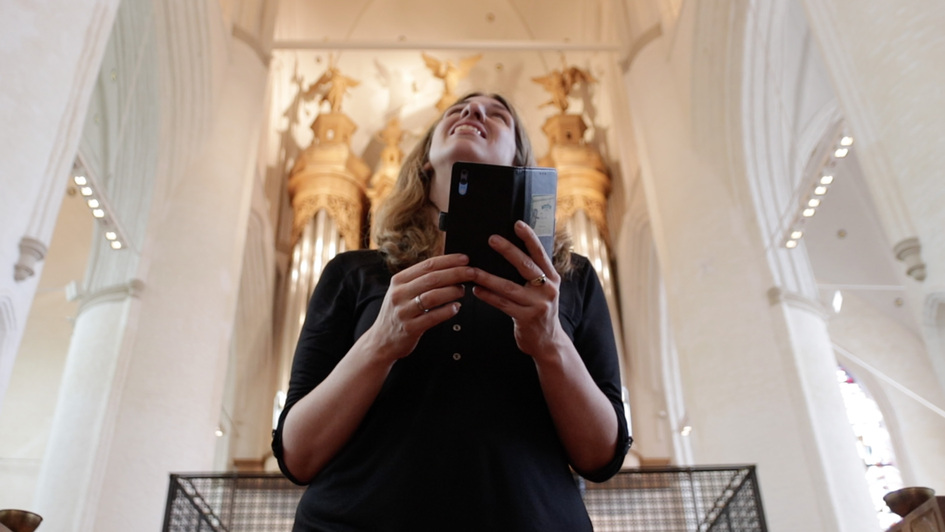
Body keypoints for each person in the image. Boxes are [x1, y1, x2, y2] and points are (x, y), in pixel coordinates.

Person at [272, 93, 632, 531]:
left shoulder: (568, 280)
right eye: (456, 111)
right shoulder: (354, 273)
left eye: (498, 114)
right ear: (425, 160)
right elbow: (298, 455)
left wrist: (550, 343)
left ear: (519, 162)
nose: (474, 112)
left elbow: (600, 457)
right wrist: (380, 342)